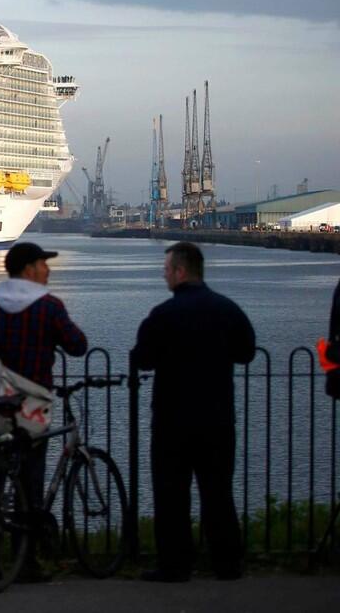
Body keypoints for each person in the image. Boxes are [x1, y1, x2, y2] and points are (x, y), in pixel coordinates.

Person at [0, 241, 88, 581]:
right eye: (44, 265)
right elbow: (78, 346)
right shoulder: (49, 307)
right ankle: (25, 561)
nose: (48, 270)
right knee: (30, 480)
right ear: (29, 269)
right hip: (31, 403)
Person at [132, 242, 255, 582]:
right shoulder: (228, 310)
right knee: (218, 493)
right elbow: (246, 353)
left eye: (167, 269)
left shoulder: (162, 315)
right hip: (217, 417)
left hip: (172, 419)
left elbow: (142, 357)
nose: (164, 274)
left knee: (172, 495)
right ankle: (227, 563)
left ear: (180, 272)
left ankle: (175, 564)